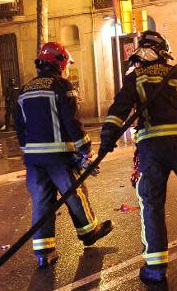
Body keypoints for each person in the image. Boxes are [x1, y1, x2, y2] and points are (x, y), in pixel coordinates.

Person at [100, 30, 177, 284]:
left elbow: (118, 110)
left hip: (152, 147)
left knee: (152, 202)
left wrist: (107, 139)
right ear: (164, 51)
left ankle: (156, 267)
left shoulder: (135, 76)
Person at [14, 42, 113, 269]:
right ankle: (89, 232)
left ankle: (44, 252)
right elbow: (72, 122)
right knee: (75, 193)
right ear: (59, 64)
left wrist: (26, 152)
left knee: (41, 201)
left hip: (33, 158)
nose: (67, 69)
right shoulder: (61, 86)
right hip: (59, 156)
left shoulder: (24, 90)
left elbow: (20, 127)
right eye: (66, 65)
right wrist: (86, 149)